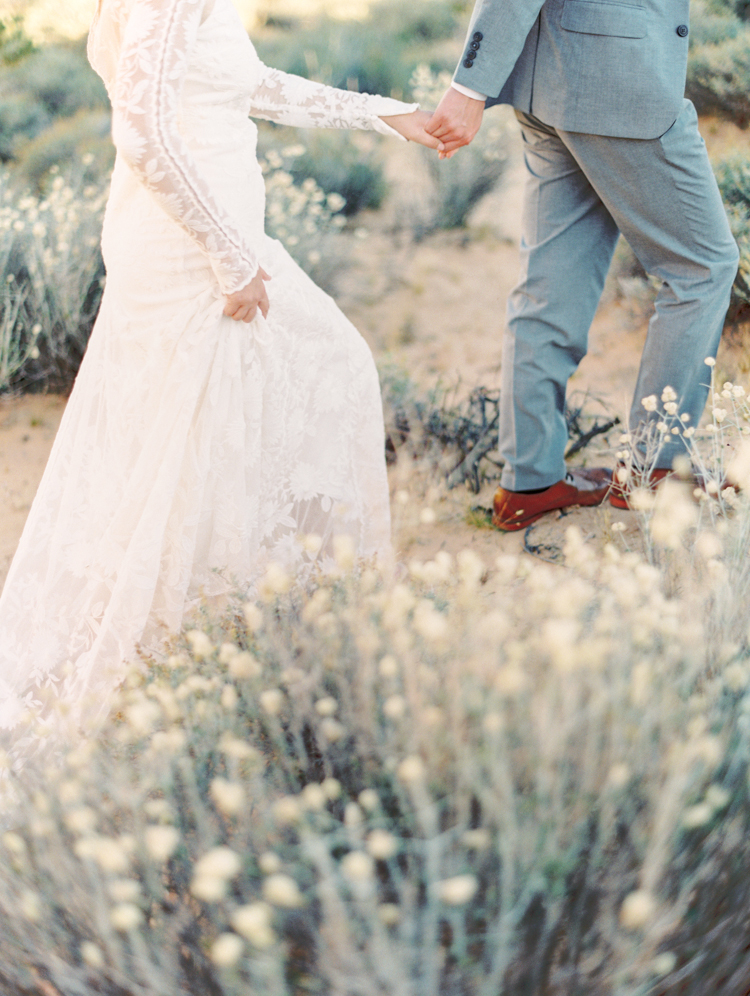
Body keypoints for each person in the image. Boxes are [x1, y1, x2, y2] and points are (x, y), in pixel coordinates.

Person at [0, 0, 439, 772]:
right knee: (326, 367)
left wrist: (384, 114)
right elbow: (140, 130)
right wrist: (230, 255)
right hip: (192, 252)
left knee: (211, 423)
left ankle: (233, 619)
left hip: (211, 239)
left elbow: (247, 85)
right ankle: (227, 630)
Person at [425, 0, 740, 530]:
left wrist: (476, 84)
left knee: (551, 283)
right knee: (703, 266)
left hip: (553, 80)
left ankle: (530, 481)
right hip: (620, 82)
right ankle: (653, 469)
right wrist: (468, 87)